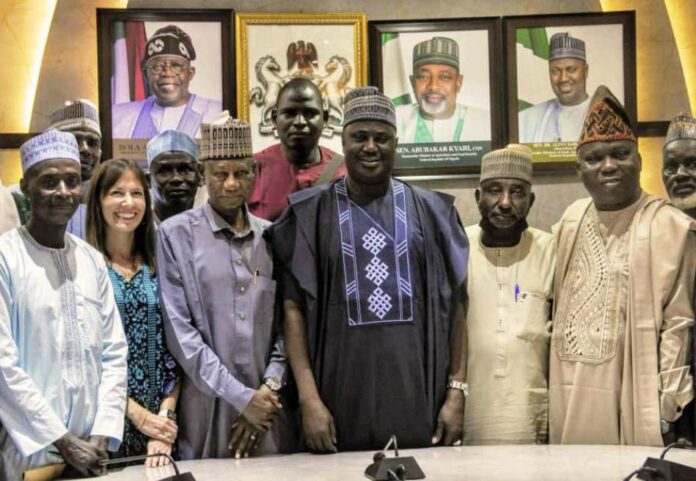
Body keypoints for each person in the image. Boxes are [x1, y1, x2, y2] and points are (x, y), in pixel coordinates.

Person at [265, 87, 469, 452]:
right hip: (337, 406)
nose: (370, 147)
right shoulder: (310, 215)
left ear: (396, 142)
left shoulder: (433, 213)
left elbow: (456, 307)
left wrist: (456, 391)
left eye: (381, 138)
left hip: (419, 402)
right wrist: (309, 400)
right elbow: (292, 311)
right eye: (359, 137)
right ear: (343, 141)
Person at [550, 86, 696, 446]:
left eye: (619, 154)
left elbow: (678, 323)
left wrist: (670, 404)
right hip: (568, 394)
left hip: (637, 395)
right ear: (579, 168)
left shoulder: (672, 226)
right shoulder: (569, 221)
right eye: (594, 158)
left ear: (639, 159)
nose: (608, 165)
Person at [157, 113, 295, 460]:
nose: (231, 184)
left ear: (254, 173)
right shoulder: (174, 235)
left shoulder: (272, 235)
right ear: (204, 175)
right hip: (207, 411)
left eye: (241, 173)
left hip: (270, 412)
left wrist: (268, 389)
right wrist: (241, 397)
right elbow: (181, 335)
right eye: (220, 174)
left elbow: (286, 325)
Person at [0, 130, 127, 479]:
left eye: (72, 181)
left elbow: (115, 352)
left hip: (92, 452)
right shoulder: (5, 257)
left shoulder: (90, 258)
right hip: (32, 449)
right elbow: (2, 363)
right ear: (26, 187)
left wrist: (102, 432)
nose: (63, 193)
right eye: (49, 181)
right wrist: (62, 440)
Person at [85, 158, 180, 467]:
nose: (128, 202)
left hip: (159, 435)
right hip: (105, 425)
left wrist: (164, 422)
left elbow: (176, 348)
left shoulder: (160, 263)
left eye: (137, 193)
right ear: (98, 202)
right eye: (116, 192)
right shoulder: (85, 266)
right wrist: (139, 417)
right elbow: (85, 361)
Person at [463, 144, 554, 445]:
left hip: (532, 414)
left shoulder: (550, 250)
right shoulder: (458, 246)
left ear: (531, 200)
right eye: (493, 190)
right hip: (469, 413)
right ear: (478, 197)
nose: (504, 202)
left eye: (517, 192)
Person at [249, 78, 346, 222]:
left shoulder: (343, 172)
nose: (300, 122)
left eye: (310, 113)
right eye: (290, 113)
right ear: (275, 118)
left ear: (324, 118)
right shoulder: (252, 169)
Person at [11, 99, 103, 238]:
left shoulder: (110, 199)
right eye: (75, 141)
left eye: (93, 143)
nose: (86, 149)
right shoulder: (16, 199)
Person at [112, 25, 222, 139]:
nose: (167, 73)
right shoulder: (119, 117)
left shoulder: (218, 114)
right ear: (146, 75)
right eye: (157, 66)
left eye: (176, 66)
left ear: (190, 73)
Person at [661, 112, 696, 441]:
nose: (681, 175)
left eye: (692, 164)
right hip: (676, 403)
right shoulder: (654, 236)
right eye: (671, 167)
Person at [395, 36, 490, 143]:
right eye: (423, 76)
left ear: (458, 83)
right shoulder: (394, 121)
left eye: (445, 77)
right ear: (412, 82)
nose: (433, 86)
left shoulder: (485, 122)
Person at [519, 33, 591, 143]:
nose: (563, 78)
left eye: (571, 69)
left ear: (585, 71)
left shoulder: (606, 115)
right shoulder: (527, 119)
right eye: (556, 71)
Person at [147, 129, 204, 225]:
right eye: (164, 171)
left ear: (200, 176)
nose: (176, 178)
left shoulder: (213, 232)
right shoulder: (136, 232)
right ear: (148, 180)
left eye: (184, 170)